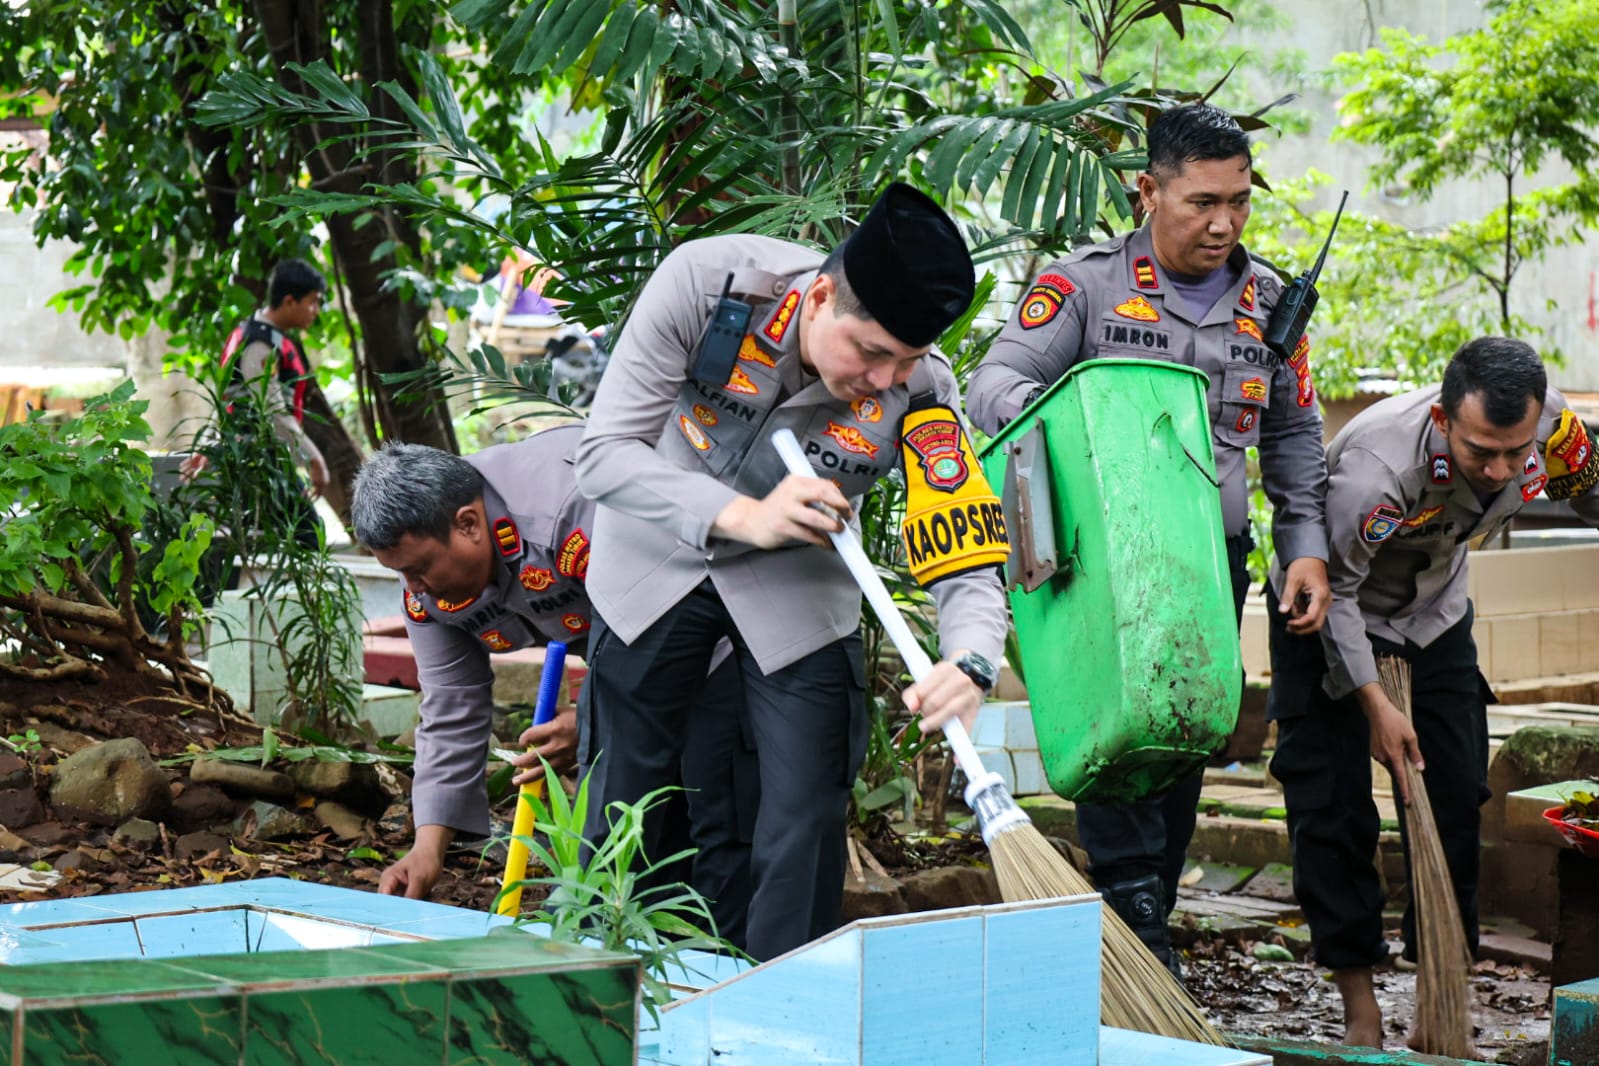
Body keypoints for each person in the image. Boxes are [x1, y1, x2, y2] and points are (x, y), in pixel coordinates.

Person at [574, 182, 1010, 961]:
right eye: (871, 352)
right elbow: (604, 456)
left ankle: (781, 1008)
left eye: (904, 361)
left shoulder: (922, 388)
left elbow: (966, 549)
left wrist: (971, 659)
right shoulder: (708, 284)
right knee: (622, 802)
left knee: (803, 813)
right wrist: (745, 516)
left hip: (799, 587)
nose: (884, 381)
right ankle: (596, 988)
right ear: (816, 298)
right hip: (658, 556)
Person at [964, 102, 1331, 976]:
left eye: (1239, 201)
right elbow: (994, 386)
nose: (1223, 222)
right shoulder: (1084, 287)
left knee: (1181, 728)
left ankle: (1143, 920)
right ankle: (1138, 922)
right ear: (1146, 192)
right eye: (1201, 201)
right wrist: (1080, 428)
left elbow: (1290, 434)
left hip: (1210, 561)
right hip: (1101, 559)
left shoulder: (1271, 303)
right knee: (1117, 726)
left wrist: (1304, 544)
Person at [1267, 337, 1599, 1049]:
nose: (1499, 470)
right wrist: (1374, 705)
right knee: (1331, 808)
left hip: (1432, 615)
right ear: (1444, 418)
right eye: (1482, 451)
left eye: (1515, 453)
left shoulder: (1551, 428)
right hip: (1327, 610)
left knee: (1450, 797)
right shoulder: (1375, 470)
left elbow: (1587, 492)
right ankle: (1359, 1006)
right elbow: (1340, 591)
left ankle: (1436, 1000)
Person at [350, 428, 759, 947]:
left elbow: (662, 622)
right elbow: (451, 703)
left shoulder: (572, 509)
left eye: (420, 569)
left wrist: (590, 718)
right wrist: (428, 850)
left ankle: (730, 976)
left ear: (468, 524)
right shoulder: (426, 589)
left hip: (711, 631)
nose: (415, 589)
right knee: (630, 834)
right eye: (401, 575)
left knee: (714, 814)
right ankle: (642, 972)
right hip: (624, 656)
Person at [181, 257, 330, 548]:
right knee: (308, 535)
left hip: (254, 455)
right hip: (259, 456)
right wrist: (314, 459)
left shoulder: (252, 333)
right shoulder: (258, 342)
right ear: (289, 301)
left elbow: (229, 395)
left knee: (271, 539)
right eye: (313, 302)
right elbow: (271, 408)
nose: (315, 310)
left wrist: (209, 443)